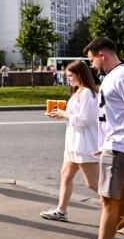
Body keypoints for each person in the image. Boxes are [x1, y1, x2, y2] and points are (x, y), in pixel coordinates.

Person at [67, 36, 124, 239]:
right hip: (114, 146)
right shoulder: (114, 77)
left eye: (92, 60)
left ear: (103, 55)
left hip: (121, 148)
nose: (92, 65)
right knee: (112, 202)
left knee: (110, 203)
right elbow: (115, 117)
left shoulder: (123, 77)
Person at [40, 60, 99, 222]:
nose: (68, 79)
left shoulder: (87, 93)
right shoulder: (78, 91)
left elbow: (85, 120)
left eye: (70, 76)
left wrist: (64, 114)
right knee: (65, 175)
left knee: (93, 184)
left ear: (80, 75)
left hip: (84, 145)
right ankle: (61, 210)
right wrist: (60, 115)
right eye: (67, 76)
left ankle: (120, 210)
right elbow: (76, 119)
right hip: (74, 144)